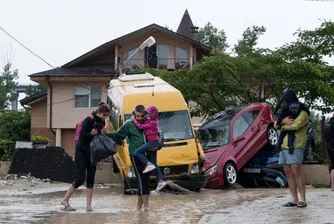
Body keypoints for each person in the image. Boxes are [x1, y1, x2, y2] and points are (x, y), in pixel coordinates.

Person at [61, 102, 111, 211]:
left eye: (107, 116)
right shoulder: (89, 120)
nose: (105, 118)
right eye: (104, 115)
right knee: (80, 178)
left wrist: (103, 133)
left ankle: (88, 206)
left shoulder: (102, 121)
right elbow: (82, 137)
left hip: (92, 152)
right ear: (99, 112)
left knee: (91, 179)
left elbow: (98, 136)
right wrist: (92, 134)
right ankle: (65, 200)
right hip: (81, 151)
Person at [105, 105, 156, 212]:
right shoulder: (129, 124)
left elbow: (156, 135)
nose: (140, 118)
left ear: (145, 114)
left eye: (142, 116)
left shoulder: (149, 122)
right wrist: (107, 134)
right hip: (135, 155)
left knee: (145, 180)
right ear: (134, 114)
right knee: (141, 180)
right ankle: (146, 207)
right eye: (138, 116)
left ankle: (138, 208)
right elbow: (118, 135)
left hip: (148, 155)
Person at [274, 110, 309, 208]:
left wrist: (283, 126)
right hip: (283, 146)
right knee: (288, 172)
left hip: (296, 145)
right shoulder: (285, 114)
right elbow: (275, 125)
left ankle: (302, 199)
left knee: (296, 170)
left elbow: (295, 125)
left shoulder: (303, 113)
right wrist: (283, 121)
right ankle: (294, 199)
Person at [132, 105, 167, 191]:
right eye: (146, 115)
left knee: (136, 152)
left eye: (148, 115)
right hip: (151, 144)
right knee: (154, 164)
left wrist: (133, 120)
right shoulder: (150, 122)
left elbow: (140, 126)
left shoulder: (151, 122)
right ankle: (160, 180)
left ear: (152, 116)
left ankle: (148, 164)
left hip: (152, 143)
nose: (146, 117)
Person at [276, 89, 310, 153]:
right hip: (293, 121)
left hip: (286, 124)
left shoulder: (286, 106)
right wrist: (308, 113)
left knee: (282, 134)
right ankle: (290, 145)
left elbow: (281, 115)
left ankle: (279, 144)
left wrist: (279, 123)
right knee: (291, 134)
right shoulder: (300, 104)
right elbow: (306, 110)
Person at [325, 114, 334, 191]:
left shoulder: (327, 124)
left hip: (329, 146)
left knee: (333, 167)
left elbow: (325, 136)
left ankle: (333, 186)